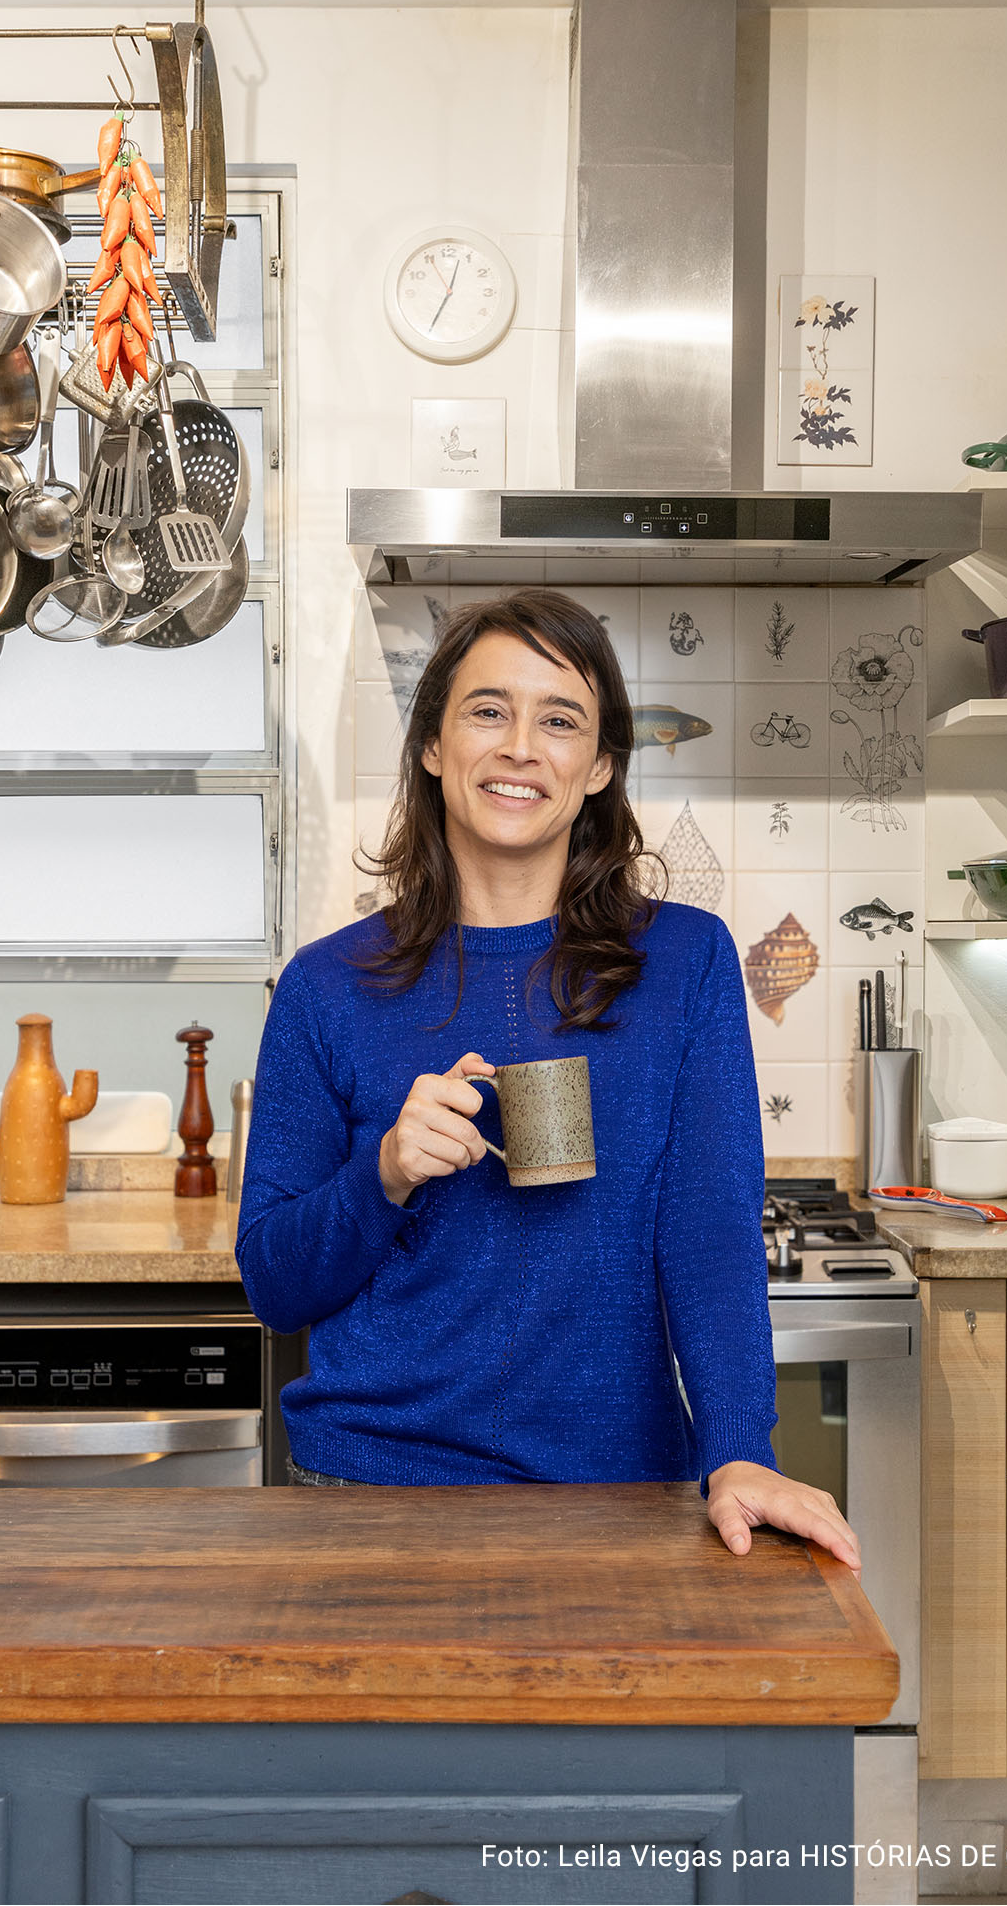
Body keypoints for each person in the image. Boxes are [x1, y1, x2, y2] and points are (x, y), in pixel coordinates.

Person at [236, 588, 861, 1570]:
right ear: (435, 747)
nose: (521, 746)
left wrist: (739, 1449)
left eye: (559, 719)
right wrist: (386, 1172)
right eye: (488, 710)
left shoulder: (685, 964)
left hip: (616, 1493)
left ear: (599, 765)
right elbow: (274, 1284)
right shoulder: (327, 986)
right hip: (370, 1490)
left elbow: (706, 1232)